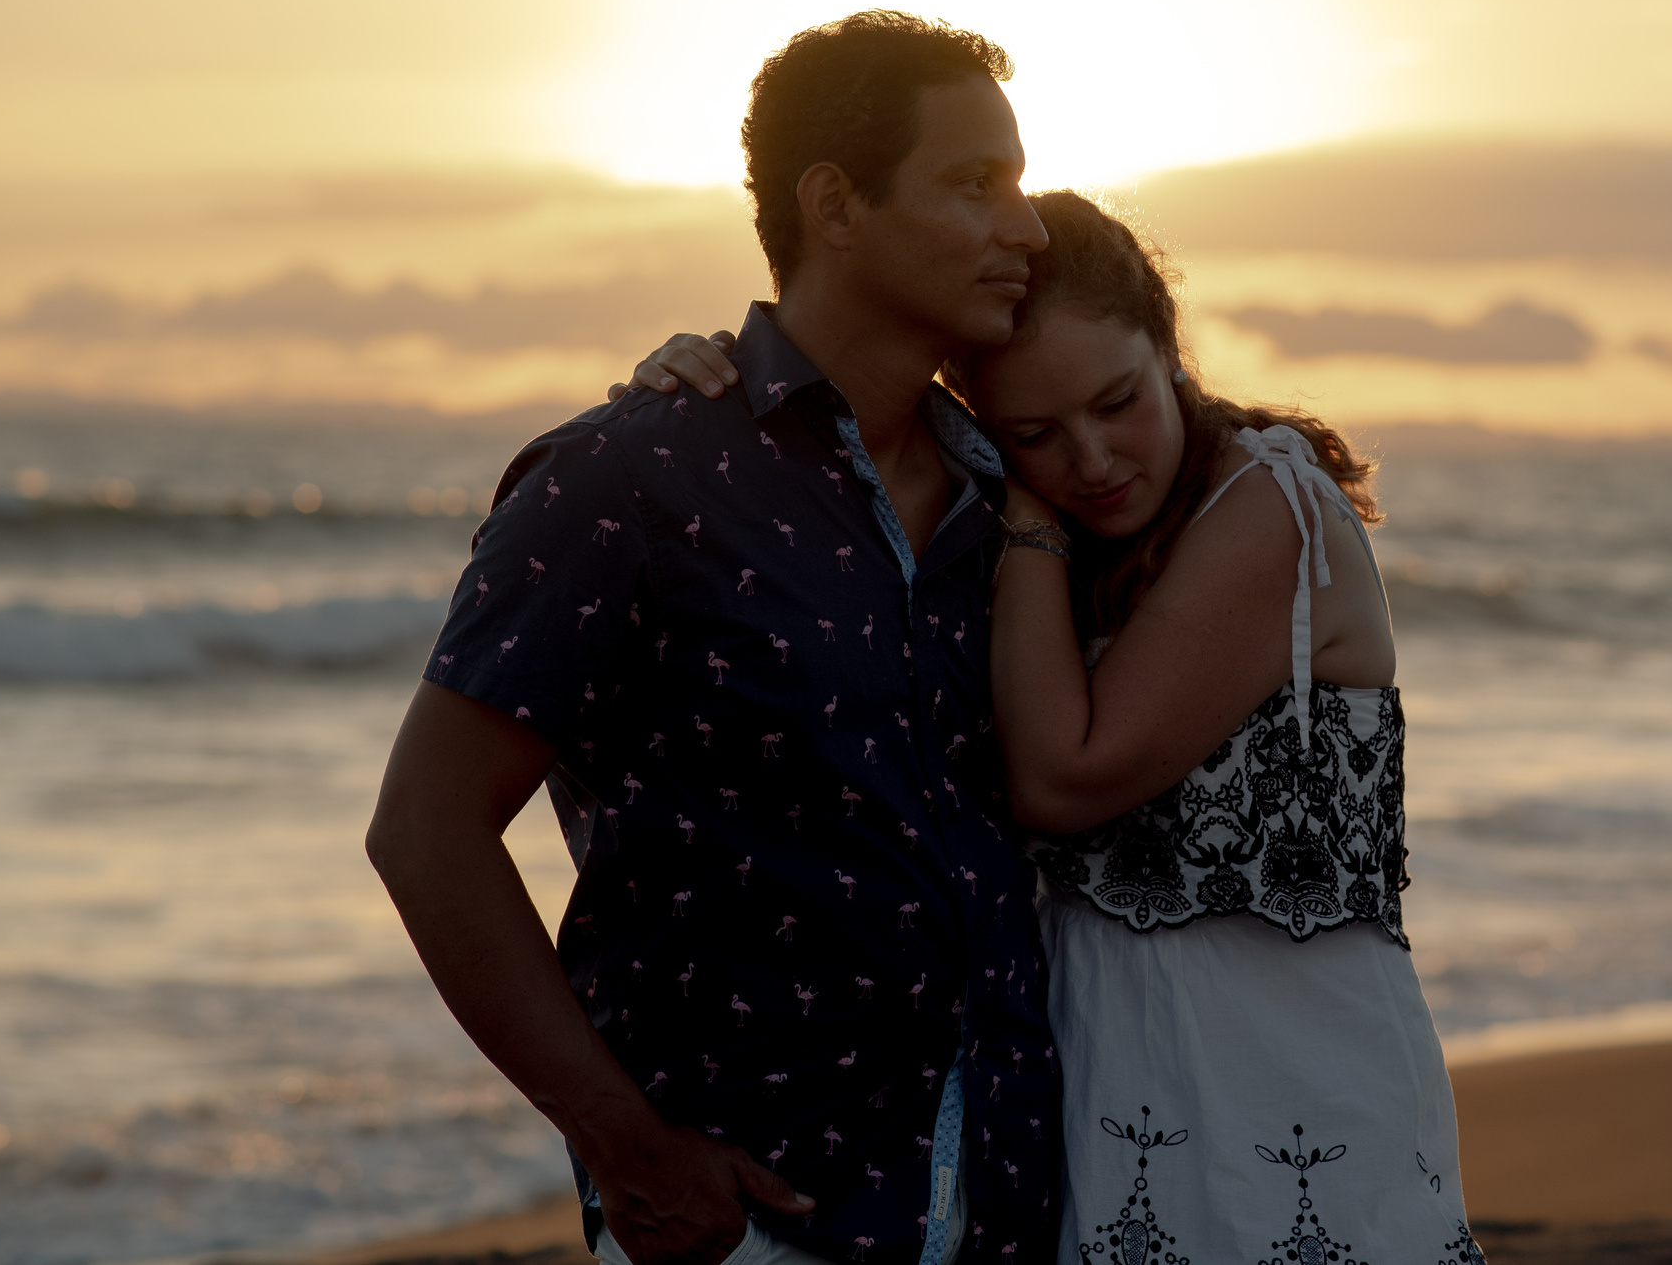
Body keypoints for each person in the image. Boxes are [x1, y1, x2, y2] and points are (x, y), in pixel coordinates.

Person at [629, 194, 1482, 1265]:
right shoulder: (1031, 557)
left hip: (1290, 1098)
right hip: (1099, 1095)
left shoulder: (1270, 504)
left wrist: (1025, 509)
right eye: (1033, 432)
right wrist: (714, 386)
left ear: (1170, 347)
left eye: (1116, 401)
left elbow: (1062, 778)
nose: (1090, 458)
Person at [366, 12, 1063, 1265]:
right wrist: (624, 1143)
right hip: (757, 1216)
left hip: (1014, 1196)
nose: (1027, 226)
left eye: (1017, 183)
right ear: (835, 204)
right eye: (975, 184)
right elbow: (424, 828)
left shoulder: (1019, 497)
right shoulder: (627, 477)